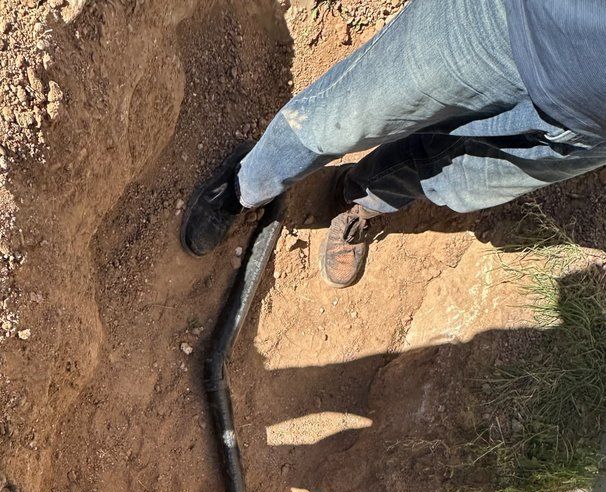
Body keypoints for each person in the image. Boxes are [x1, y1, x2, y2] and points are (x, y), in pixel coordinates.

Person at [180, 0, 606, 288]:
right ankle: (243, 186)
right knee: (344, 115)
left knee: (464, 179)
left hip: (591, 126)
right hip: (516, 20)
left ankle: (363, 201)